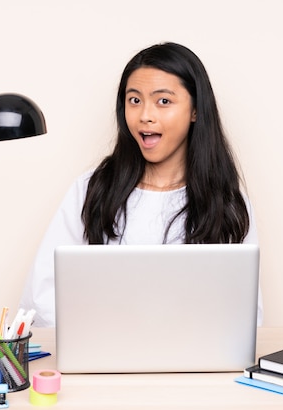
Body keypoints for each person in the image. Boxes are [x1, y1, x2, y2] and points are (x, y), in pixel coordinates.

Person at [19, 42, 261, 326]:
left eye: (163, 101)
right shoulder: (92, 189)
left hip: (193, 362)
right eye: (134, 100)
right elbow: (42, 293)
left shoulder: (226, 203)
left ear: (195, 111)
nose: (145, 115)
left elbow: (245, 313)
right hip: (103, 356)